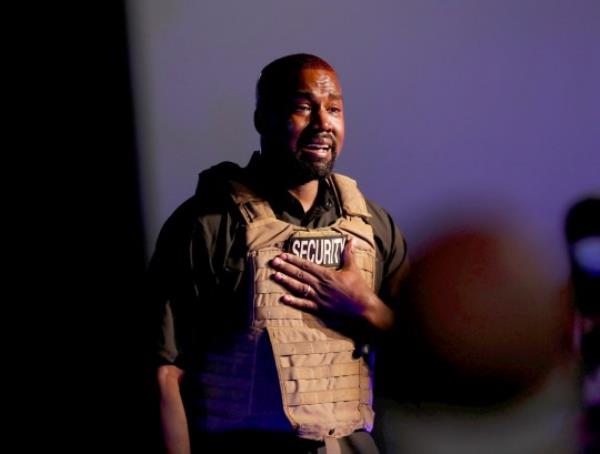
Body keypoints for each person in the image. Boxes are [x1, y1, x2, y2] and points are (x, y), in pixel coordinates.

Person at [146, 53, 408, 453]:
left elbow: (427, 355)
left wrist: (367, 309)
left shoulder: (373, 225)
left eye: (334, 109)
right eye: (303, 108)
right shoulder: (208, 225)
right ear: (262, 119)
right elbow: (165, 373)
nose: (323, 123)